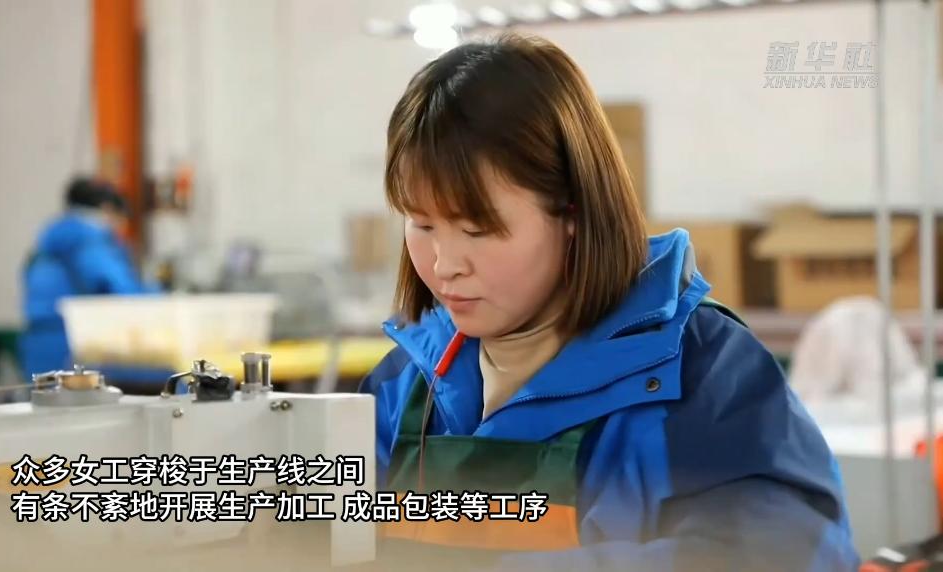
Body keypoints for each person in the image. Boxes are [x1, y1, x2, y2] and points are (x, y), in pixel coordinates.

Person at [358, 33, 858, 571]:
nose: (444, 264)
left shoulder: (699, 375)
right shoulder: (402, 387)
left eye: (477, 229)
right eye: (422, 224)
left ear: (571, 214)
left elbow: (792, 551)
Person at [18, 177, 156, 378]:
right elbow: (122, 290)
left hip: (36, 342)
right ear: (108, 209)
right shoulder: (89, 239)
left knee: (44, 396)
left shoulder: (50, 239)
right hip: (72, 344)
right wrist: (160, 294)